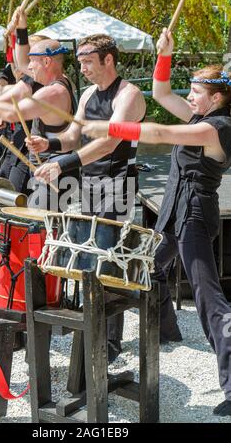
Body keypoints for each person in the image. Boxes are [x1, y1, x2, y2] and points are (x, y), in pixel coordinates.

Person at [81, 28, 231, 416]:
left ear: (216, 98)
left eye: (197, 91)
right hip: (172, 212)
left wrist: (112, 128)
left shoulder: (216, 127)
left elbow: (161, 132)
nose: (190, 96)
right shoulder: (201, 114)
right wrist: (164, 53)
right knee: (149, 267)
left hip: (195, 217)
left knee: (208, 300)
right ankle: (167, 331)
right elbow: (161, 93)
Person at [26, 34, 146, 362]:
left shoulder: (129, 95)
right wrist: (48, 145)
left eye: (88, 61)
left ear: (109, 60)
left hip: (119, 183)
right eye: (79, 61)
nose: (82, 68)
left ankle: (108, 344)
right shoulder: (89, 94)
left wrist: (62, 163)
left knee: (107, 258)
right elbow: (72, 136)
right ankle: (89, 327)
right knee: (87, 254)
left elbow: (109, 141)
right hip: (90, 183)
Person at [0, 36, 77, 207]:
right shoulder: (61, 81)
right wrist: (20, 27)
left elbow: (11, 113)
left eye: (33, 61)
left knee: (40, 228)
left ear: (47, 61)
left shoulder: (52, 93)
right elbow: (20, 64)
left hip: (52, 177)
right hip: (48, 172)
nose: (29, 66)